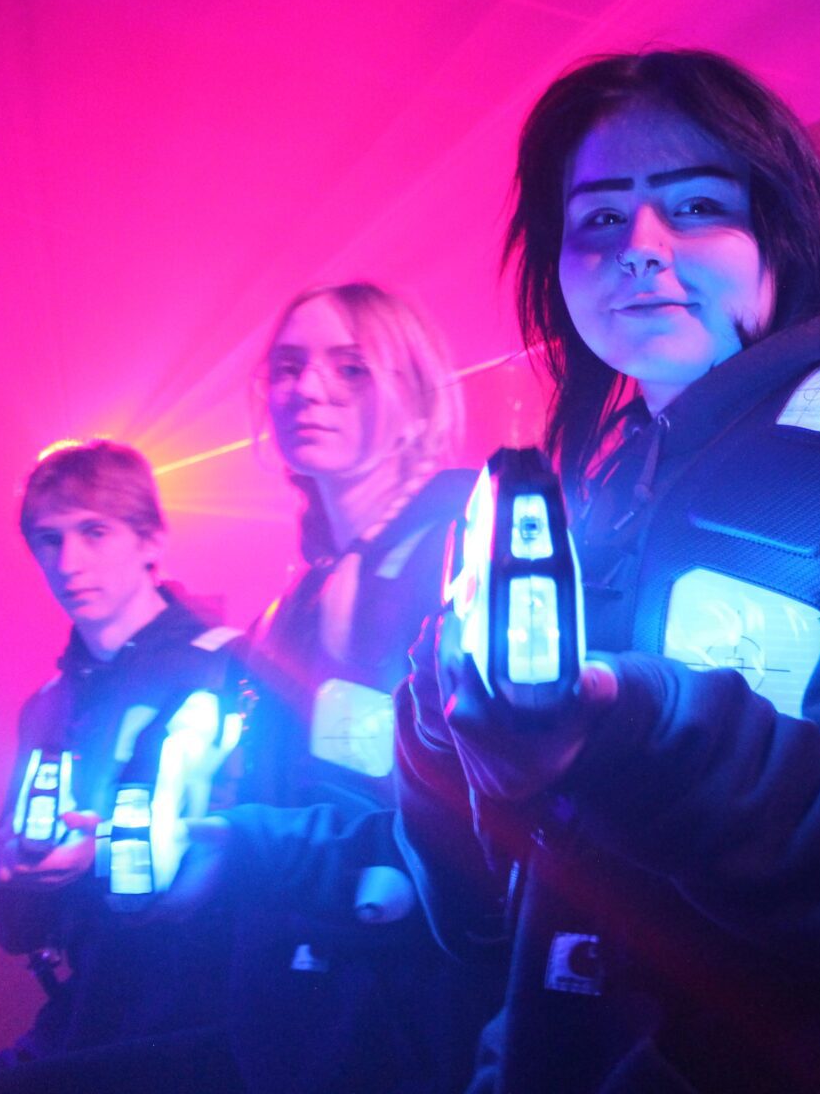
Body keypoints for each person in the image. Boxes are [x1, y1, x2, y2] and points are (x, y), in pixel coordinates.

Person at [396, 50, 820, 1093]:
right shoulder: (596, 503)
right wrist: (440, 740)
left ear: (778, 232)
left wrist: (631, 734)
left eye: (696, 206)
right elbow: (490, 919)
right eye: (600, 220)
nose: (641, 249)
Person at [196, 281, 500, 1093]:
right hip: (305, 983)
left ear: (415, 394)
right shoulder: (302, 584)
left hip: (418, 993)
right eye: (288, 367)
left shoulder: (466, 535)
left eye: (352, 368)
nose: (309, 389)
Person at [0, 440, 247, 1092]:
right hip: (86, 1015)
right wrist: (23, 879)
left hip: (197, 1027)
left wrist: (107, 856)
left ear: (152, 540)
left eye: (94, 532)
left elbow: (252, 870)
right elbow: (11, 927)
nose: (68, 562)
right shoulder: (48, 706)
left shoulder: (230, 666)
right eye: (48, 539)